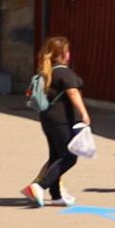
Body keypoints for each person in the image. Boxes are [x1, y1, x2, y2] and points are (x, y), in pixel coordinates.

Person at [24, 36, 91, 208]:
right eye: (67, 51)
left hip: (48, 118)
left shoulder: (47, 72)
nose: (69, 54)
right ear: (62, 54)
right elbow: (73, 93)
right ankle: (39, 185)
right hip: (62, 119)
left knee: (55, 155)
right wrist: (84, 114)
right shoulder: (64, 72)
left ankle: (56, 196)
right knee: (69, 157)